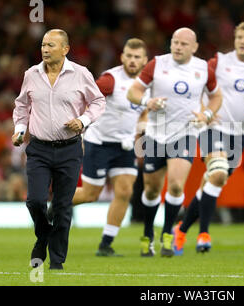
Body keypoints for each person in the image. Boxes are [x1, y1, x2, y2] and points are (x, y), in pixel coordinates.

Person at [172, 22, 244, 255]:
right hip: (214, 127)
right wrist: (203, 110)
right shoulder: (219, 62)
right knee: (218, 171)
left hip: (240, 133)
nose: (242, 41)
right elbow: (196, 87)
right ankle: (204, 234)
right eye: (239, 37)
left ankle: (181, 229)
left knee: (212, 183)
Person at [12, 29, 106, 270]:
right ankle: (42, 236)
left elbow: (98, 101)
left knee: (63, 206)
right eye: (43, 44)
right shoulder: (31, 74)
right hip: (39, 149)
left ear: (65, 49)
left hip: (69, 150)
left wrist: (83, 121)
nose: (45, 49)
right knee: (35, 201)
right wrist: (20, 130)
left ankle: (56, 263)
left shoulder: (80, 74)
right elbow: (22, 105)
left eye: (51, 45)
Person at [127, 27, 222, 257]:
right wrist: (148, 102)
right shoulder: (157, 64)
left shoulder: (203, 69)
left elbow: (216, 96)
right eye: (175, 42)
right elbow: (133, 91)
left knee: (177, 186)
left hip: (185, 134)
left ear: (194, 47)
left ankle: (167, 234)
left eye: (183, 43)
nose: (178, 47)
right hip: (155, 135)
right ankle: (148, 234)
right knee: (151, 190)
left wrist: (207, 115)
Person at [71, 38, 148, 257]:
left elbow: (144, 110)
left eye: (137, 57)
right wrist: (83, 126)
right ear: (122, 57)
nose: (132, 61)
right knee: (89, 195)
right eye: (129, 56)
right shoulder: (111, 80)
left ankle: (106, 244)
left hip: (124, 146)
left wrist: (138, 133)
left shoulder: (147, 85)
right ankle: (57, 202)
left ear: (144, 60)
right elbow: (87, 99)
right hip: (100, 143)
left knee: (125, 192)